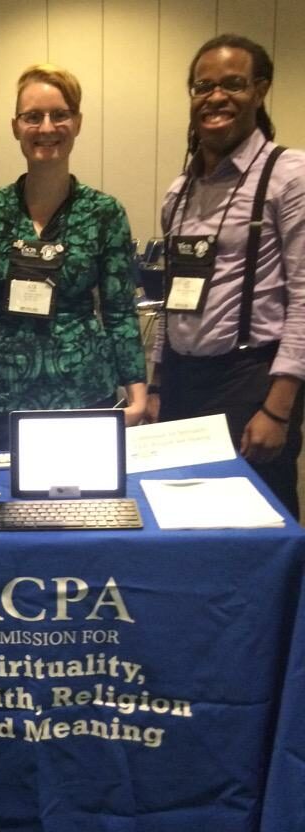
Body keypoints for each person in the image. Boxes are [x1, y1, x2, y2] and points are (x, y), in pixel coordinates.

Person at [0, 64, 147, 451]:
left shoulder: (104, 213)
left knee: (84, 506)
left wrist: (136, 392)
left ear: (78, 122)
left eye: (59, 114)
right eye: (33, 117)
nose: (47, 127)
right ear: (15, 126)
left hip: (83, 393)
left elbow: (120, 311)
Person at [148, 34, 305, 518]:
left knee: (254, 526)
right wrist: (155, 386)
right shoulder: (180, 190)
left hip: (250, 382)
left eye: (232, 85)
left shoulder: (289, 175)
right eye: (203, 86)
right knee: (177, 518)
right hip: (180, 382)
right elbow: (174, 297)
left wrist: (277, 410)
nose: (216, 97)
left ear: (260, 89)